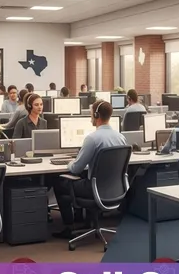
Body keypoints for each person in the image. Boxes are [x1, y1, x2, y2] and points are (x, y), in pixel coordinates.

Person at [52, 100, 127, 239]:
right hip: (115, 189)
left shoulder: (92, 139)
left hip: (94, 189)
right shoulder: (121, 138)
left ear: (96, 115)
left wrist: (69, 163)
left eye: (92, 114)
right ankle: (86, 222)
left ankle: (69, 226)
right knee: (83, 177)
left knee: (59, 183)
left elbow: (76, 168)